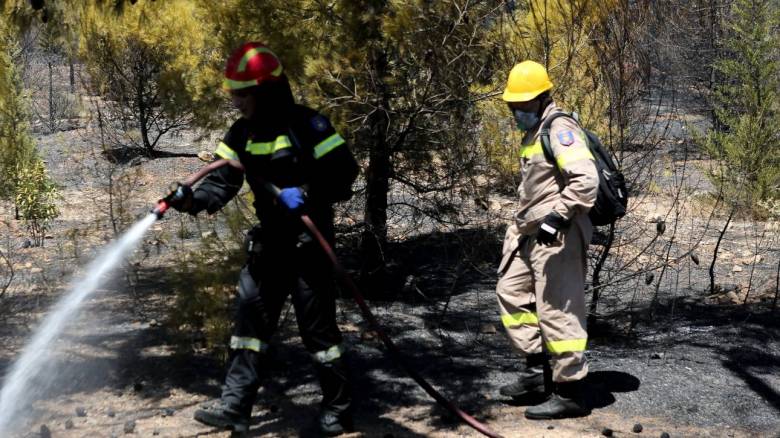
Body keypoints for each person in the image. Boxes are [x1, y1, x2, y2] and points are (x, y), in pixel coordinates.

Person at [166, 42, 360, 436]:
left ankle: (338, 409)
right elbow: (220, 184)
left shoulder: (310, 126)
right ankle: (236, 407)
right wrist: (189, 199)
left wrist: (305, 192)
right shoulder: (240, 134)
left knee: (320, 335)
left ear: (265, 91)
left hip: (309, 245)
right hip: (269, 246)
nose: (235, 101)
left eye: (242, 93)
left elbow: (344, 173)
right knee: (248, 327)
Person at [495, 60, 599, 419]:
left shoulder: (560, 128)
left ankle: (571, 392)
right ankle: (539, 375)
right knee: (510, 293)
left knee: (558, 309)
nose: (516, 111)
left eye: (522, 105)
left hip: (559, 235)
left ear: (542, 98)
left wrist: (557, 217)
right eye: (513, 106)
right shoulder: (534, 132)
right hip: (529, 235)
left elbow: (585, 180)